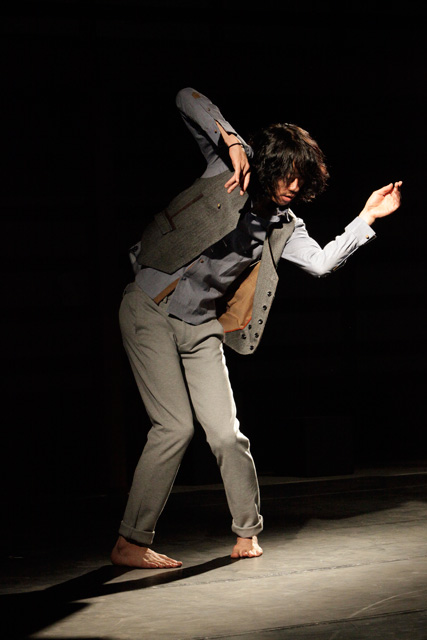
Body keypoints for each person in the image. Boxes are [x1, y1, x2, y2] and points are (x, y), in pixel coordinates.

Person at [111, 88, 402, 569]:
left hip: (201, 326)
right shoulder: (228, 169)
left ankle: (247, 534)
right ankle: (130, 542)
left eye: (301, 179)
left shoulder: (285, 225)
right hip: (149, 308)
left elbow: (322, 264)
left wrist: (366, 217)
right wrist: (230, 141)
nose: (292, 186)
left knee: (227, 436)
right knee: (175, 427)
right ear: (269, 166)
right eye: (287, 174)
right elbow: (185, 98)